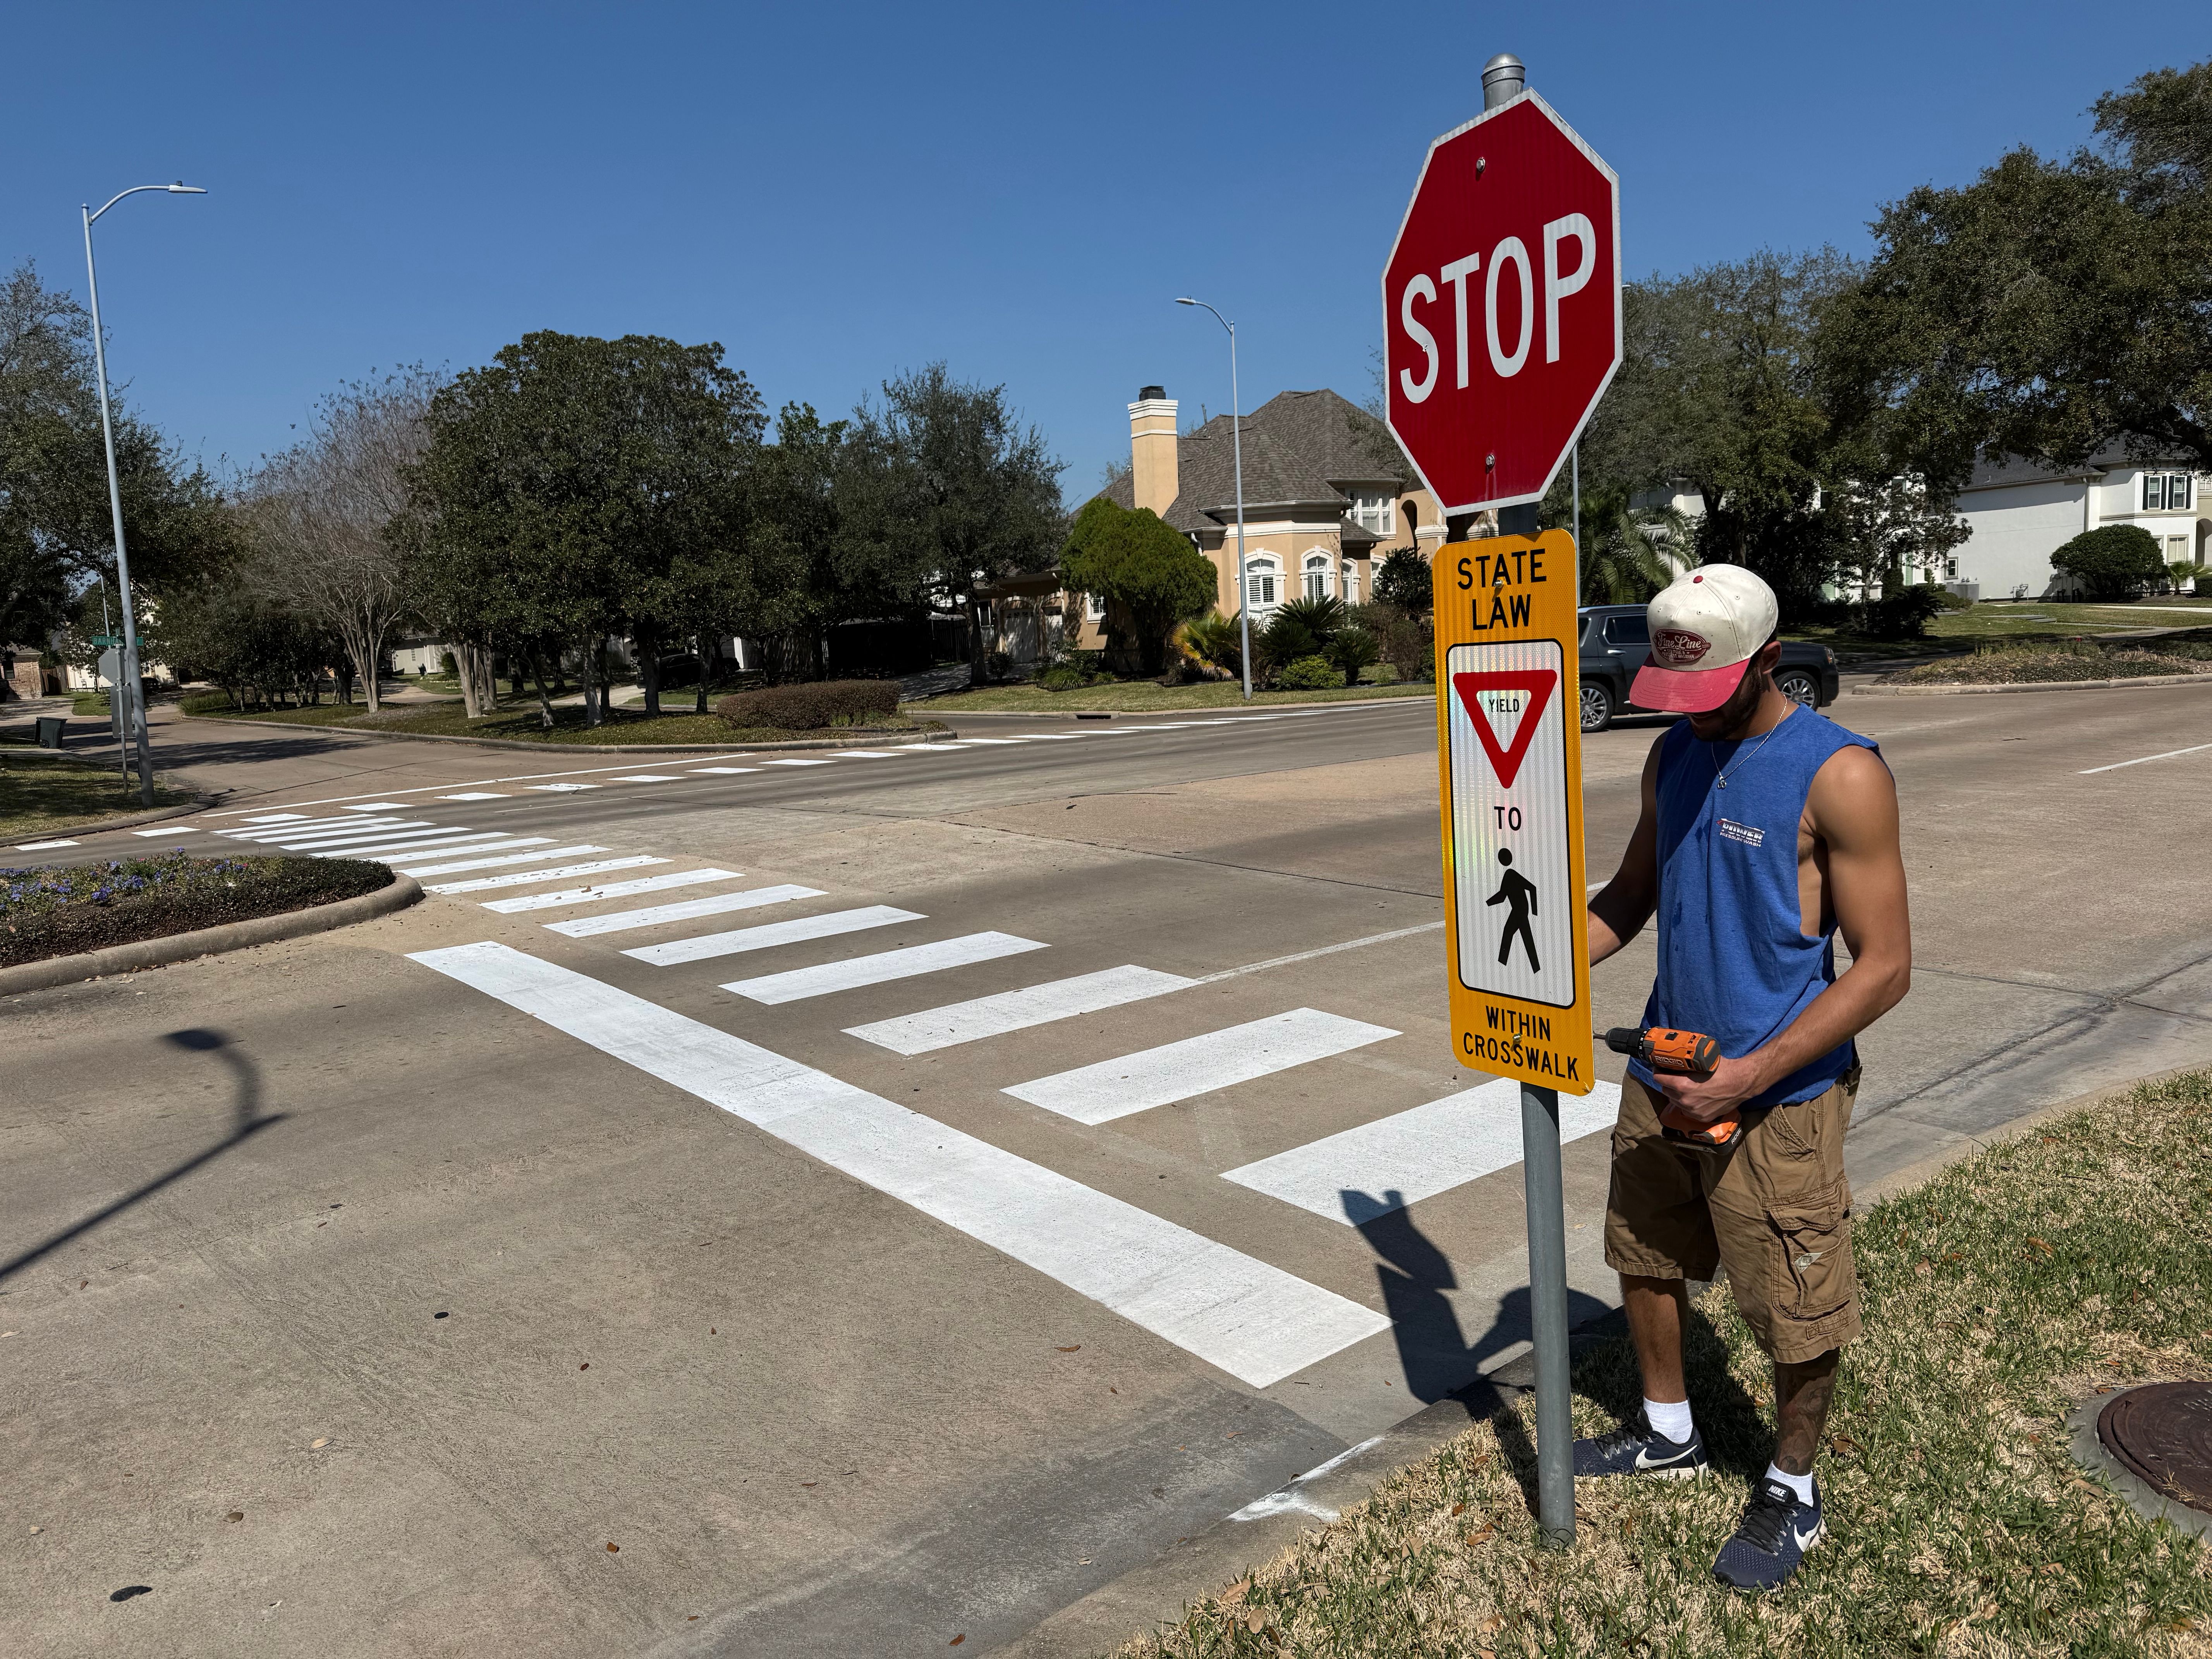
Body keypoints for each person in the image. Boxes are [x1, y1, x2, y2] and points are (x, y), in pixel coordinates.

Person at [1575, 563, 1911, 1593]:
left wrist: (1751, 1075)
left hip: (1780, 1094)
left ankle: (1792, 1489)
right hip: (1665, 1067)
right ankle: (1670, 1428)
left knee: (1799, 1305)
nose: (1684, 715)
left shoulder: (1838, 773)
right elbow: (1631, 892)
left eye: (1706, 690)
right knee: (1643, 1249)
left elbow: (1886, 962)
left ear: (1767, 663)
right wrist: (1530, 967)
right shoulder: (1676, 751)